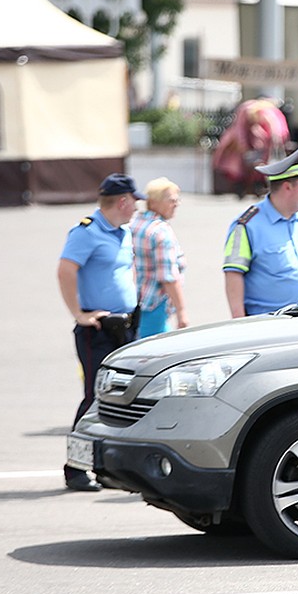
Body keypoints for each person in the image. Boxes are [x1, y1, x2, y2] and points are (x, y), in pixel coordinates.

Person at [57, 174, 144, 491]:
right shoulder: (87, 232)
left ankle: (110, 466)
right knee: (95, 398)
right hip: (98, 330)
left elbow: (125, 270)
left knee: (128, 397)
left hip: (126, 326)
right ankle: (75, 468)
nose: (136, 207)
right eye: (134, 202)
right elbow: (66, 270)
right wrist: (79, 314)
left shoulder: (123, 231)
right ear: (122, 202)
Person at [223, 140, 298, 318]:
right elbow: (233, 274)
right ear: (287, 187)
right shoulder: (247, 226)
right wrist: (239, 321)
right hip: (269, 325)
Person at [129, 177, 188, 338]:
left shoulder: (134, 222)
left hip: (136, 299)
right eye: (171, 200)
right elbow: (168, 276)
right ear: (154, 202)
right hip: (155, 303)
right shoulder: (161, 232)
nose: (176, 204)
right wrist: (182, 313)